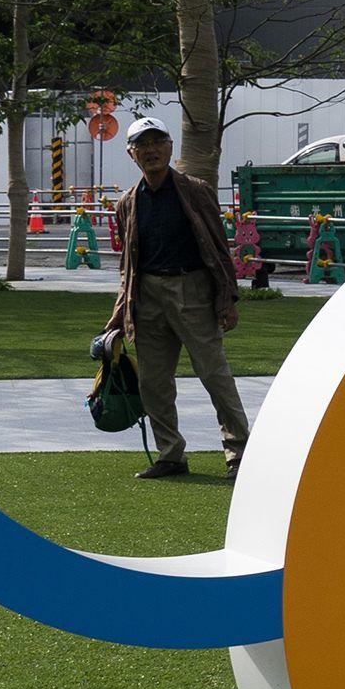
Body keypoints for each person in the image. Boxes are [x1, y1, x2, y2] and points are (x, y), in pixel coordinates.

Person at [100, 116, 249, 481]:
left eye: (157, 142)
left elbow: (218, 247)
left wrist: (226, 298)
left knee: (214, 374)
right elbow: (128, 264)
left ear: (169, 147)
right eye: (142, 144)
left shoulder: (195, 190)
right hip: (147, 296)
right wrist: (121, 312)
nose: (150, 150)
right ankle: (171, 455)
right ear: (131, 153)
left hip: (193, 289)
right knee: (154, 383)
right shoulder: (127, 202)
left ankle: (240, 452)